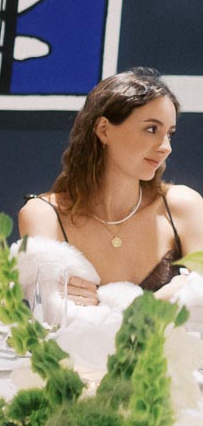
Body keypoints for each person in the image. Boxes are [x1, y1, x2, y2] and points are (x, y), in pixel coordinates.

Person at [19, 68, 203, 305]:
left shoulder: (183, 206)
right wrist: (172, 293)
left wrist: (102, 306)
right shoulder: (44, 215)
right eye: (151, 129)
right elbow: (51, 315)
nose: (166, 147)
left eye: (170, 134)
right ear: (104, 130)